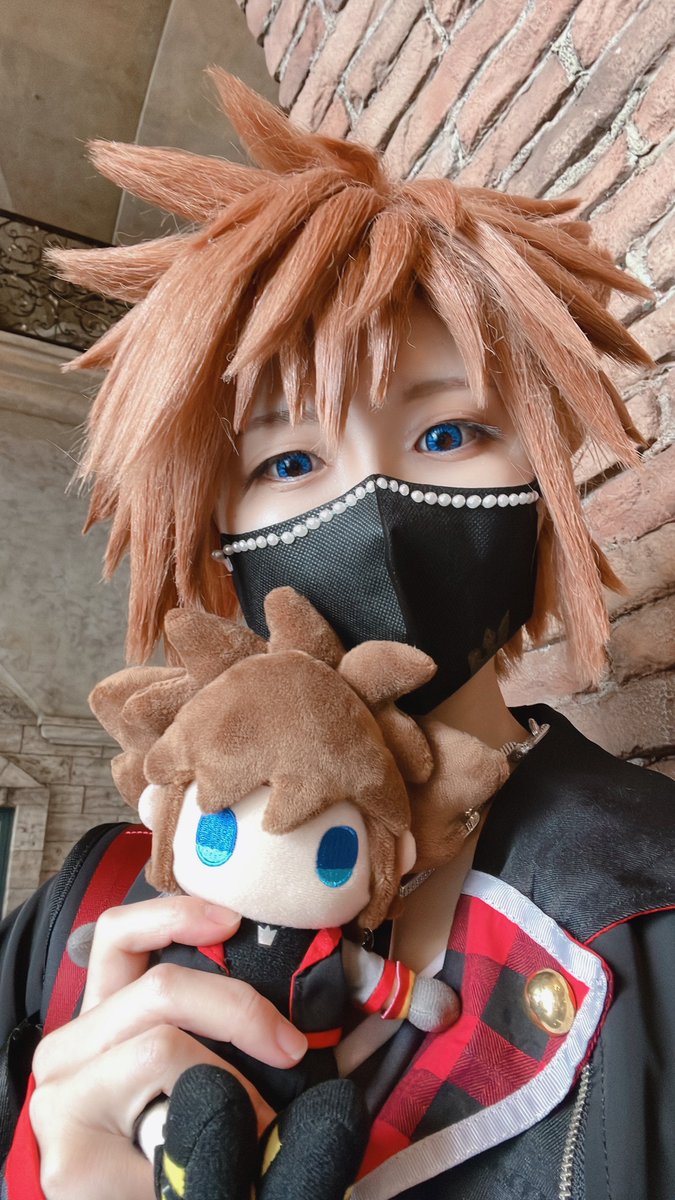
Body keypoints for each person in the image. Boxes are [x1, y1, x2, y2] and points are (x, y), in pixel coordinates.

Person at [1, 68, 673, 1200]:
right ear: (214, 533)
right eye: (290, 460)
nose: (376, 511)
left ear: (545, 482)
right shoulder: (80, 909)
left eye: (450, 432)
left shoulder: (646, 910)